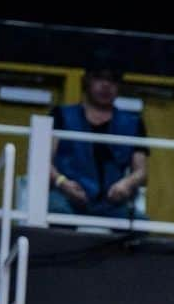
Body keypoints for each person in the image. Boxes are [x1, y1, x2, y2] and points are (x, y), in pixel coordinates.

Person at [49, 62, 148, 220]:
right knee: (57, 211)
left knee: (140, 223)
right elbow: (43, 161)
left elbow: (141, 171)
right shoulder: (61, 115)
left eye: (112, 80)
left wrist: (127, 184)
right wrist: (62, 183)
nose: (106, 85)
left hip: (112, 202)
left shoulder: (133, 123)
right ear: (87, 80)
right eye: (99, 78)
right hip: (66, 195)